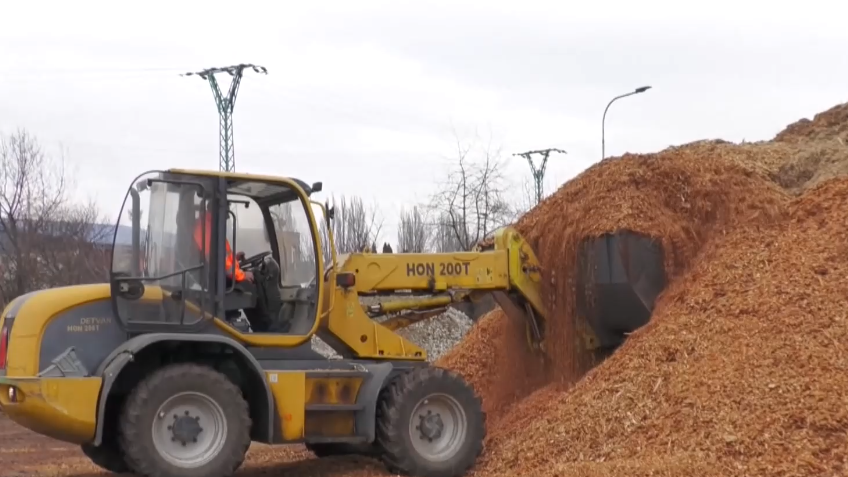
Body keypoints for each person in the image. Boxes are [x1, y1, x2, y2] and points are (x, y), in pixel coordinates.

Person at [192, 206, 254, 284]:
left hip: (219, 276)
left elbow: (222, 256)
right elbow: (217, 262)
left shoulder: (212, 225)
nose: (227, 217)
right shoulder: (204, 228)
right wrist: (243, 275)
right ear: (219, 208)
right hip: (213, 282)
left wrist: (235, 258)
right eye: (226, 208)